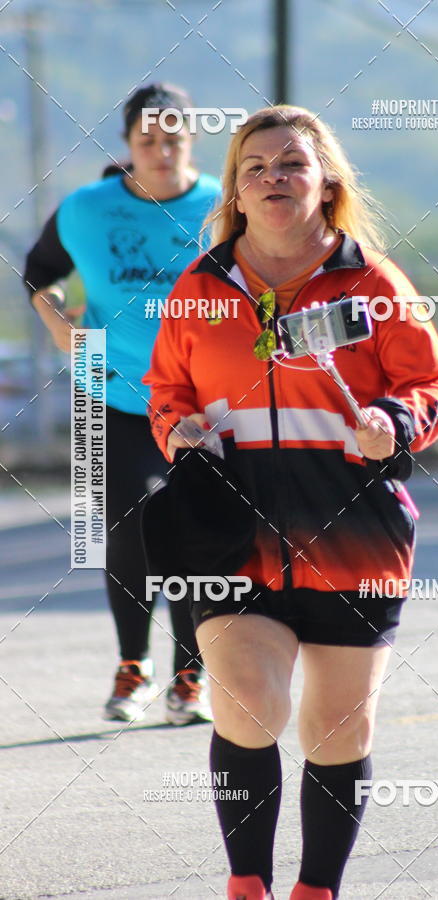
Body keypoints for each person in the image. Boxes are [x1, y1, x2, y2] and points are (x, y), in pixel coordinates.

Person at [143, 105, 438, 900]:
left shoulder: (373, 284)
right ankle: (246, 884)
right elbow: (165, 390)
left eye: (291, 163)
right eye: (255, 167)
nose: (273, 177)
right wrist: (175, 430)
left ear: (326, 184)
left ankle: (316, 890)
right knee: (248, 704)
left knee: (338, 727)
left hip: (355, 535)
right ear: (236, 191)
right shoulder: (200, 288)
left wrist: (397, 420)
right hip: (228, 533)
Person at [23, 83, 221, 725]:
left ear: (192, 139)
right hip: (111, 391)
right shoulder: (87, 209)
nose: (162, 152)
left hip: (202, 401)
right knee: (128, 525)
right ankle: (133, 664)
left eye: (174, 140)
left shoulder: (225, 206)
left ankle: (191, 675)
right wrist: (57, 319)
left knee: (194, 531)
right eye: (148, 141)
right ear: (128, 144)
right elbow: (40, 270)